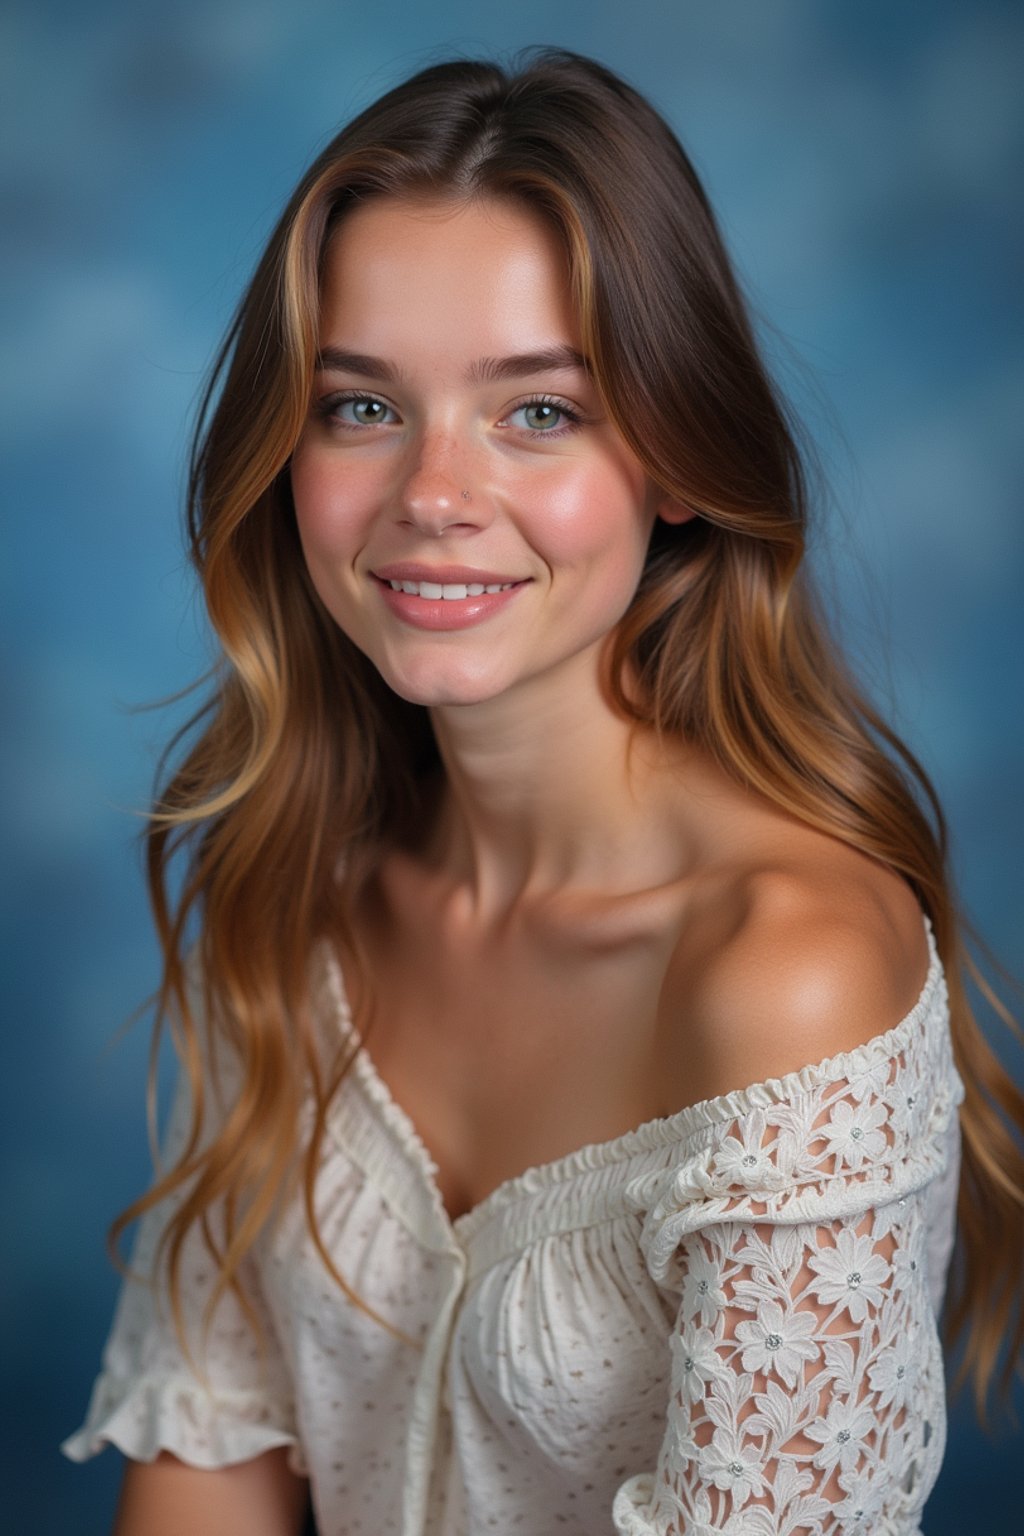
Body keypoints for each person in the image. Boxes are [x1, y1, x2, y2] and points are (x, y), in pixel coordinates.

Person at [62, 48, 1024, 1536]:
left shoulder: (787, 974)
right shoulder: (291, 891)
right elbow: (205, 1480)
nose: (434, 495)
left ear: (680, 458)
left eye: (541, 412)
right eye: (361, 408)